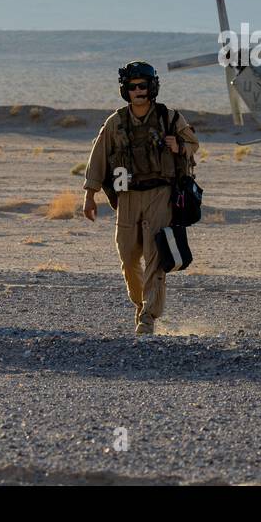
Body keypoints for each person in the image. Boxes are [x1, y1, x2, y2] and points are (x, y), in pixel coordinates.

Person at [81, 61, 199, 335]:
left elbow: (194, 145)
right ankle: (140, 302)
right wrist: (89, 195)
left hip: (160, 194)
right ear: (126, 90)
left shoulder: (169, 118)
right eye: (133, 87)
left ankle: (148, 316)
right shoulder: (116, 122)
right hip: (127, 197)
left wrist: (179, 146)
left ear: (152, 87)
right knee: (128, 255)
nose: (139, 91)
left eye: (143, 86)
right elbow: (98, 157)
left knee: (155, 255)